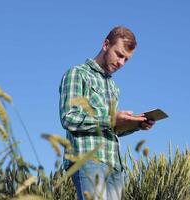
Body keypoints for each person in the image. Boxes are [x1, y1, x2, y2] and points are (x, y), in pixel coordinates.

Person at [59, 26, 155, 200]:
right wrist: (110, 119)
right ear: (106, 44)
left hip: (115, 167)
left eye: (126, 59)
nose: (121, 63)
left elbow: (110, 128)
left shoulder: (114, 87)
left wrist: (136, 125)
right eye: (119, 55)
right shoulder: (77, 74)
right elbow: (69, 118)